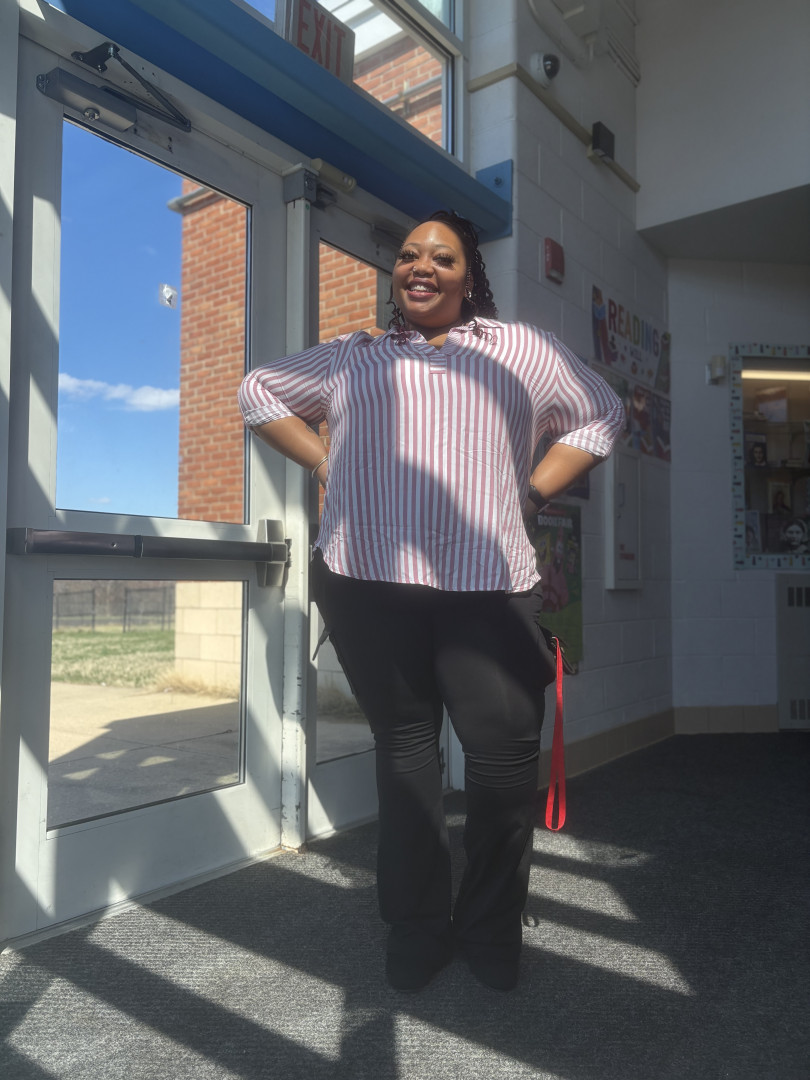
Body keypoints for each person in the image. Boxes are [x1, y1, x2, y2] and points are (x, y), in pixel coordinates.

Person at [238, 210, 624, 992]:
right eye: (410, 255)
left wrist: (530, 493)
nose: (422, 266)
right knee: (407, 759)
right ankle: (416, 926)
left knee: (503, 765)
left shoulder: (519, 349)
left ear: (468, 275)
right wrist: (326, 462)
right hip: (368, 580)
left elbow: (602, 414)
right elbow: (259, 390)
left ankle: (489, 926)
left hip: (488, 584)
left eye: (442, 257)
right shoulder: (353, 354)